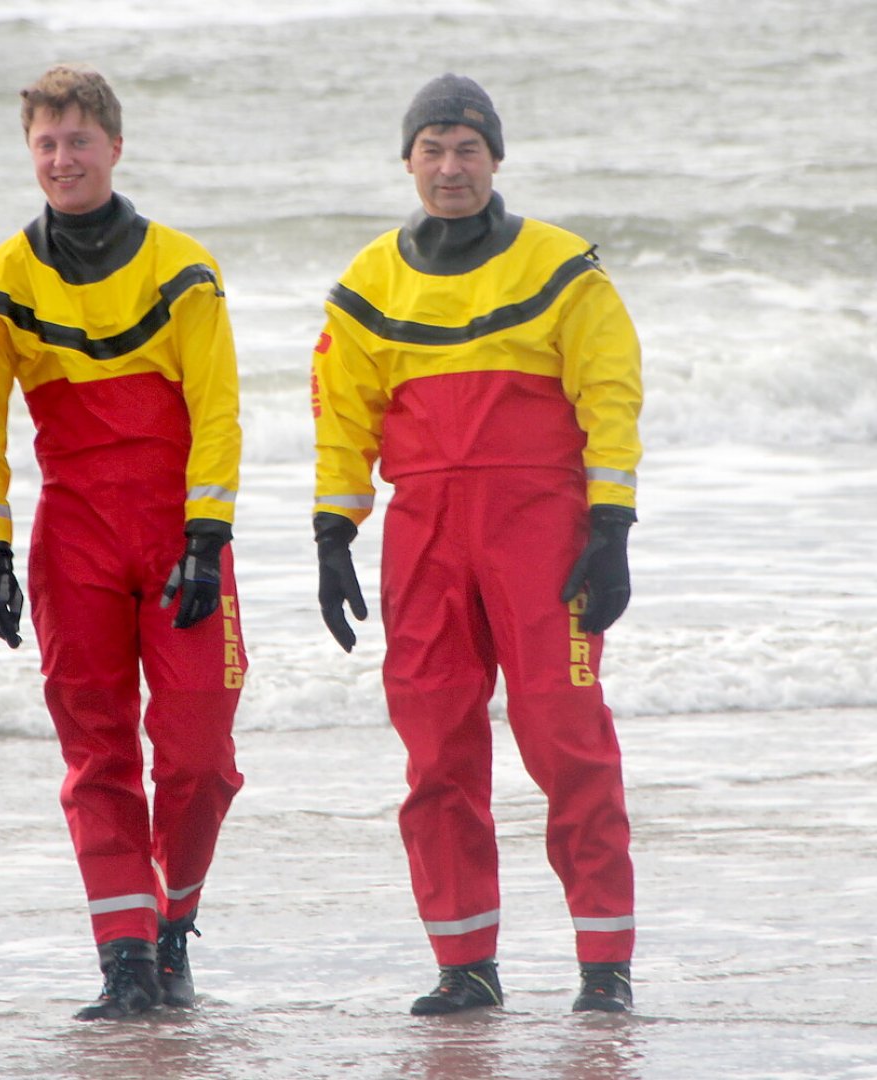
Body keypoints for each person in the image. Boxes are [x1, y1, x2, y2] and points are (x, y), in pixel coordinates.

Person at [310, 73, 643, 1015]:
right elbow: (344, 417)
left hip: (542, 528)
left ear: (496, 157)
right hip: (422, 535)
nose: (449, 167)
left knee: (568, 740)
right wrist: (335, 531)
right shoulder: (368, 279)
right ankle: (464, 965)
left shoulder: (562, 267)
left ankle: (603, 967)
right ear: (408, 160)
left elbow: (610, 397)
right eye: (432, 149)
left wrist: (612, 524)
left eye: (467, 148)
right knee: (436, 750)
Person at [0, 64, 247, 1020]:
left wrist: (208, 539)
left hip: (179, 539)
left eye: (78, 140)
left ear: (115, 148)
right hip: (70, 536)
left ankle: (174, 922)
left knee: (200, 756)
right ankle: (126, 960)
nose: (61, 157)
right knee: (97, 757)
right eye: (45, 142)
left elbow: (218, 412)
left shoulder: (183, 267)